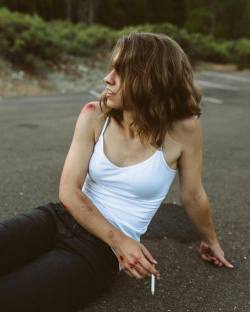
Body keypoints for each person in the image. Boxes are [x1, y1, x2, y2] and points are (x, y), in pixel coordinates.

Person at [0, 31, 234, 312]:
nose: (107, 78)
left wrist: (211, 241)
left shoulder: (184, 130)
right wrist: (122, 241)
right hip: (59, 218)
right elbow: (69, 192)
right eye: (111, 68)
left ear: (152, 81)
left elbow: (194, 195)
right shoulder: (93, 115)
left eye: (121, 72)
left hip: (97, 253)